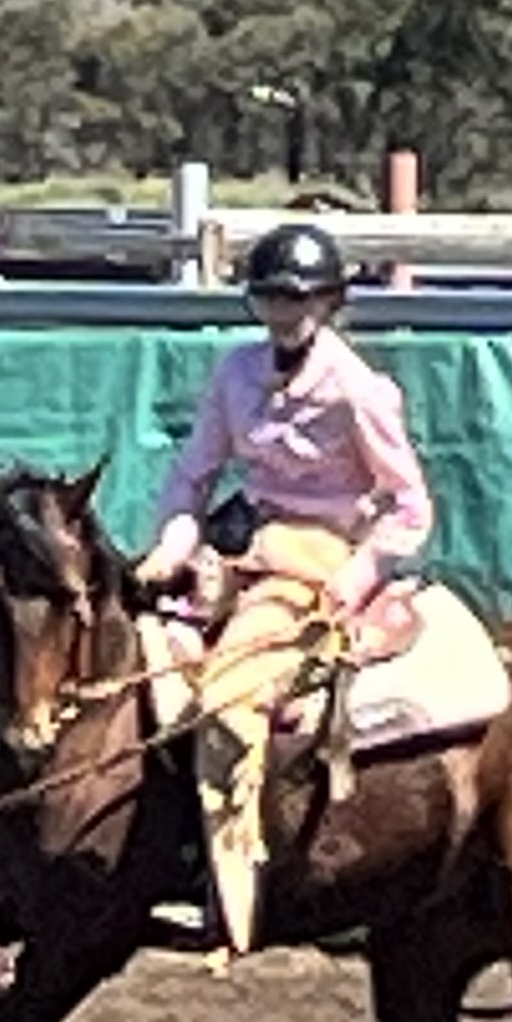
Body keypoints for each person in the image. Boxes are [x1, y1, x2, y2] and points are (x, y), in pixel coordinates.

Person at [139, 218, 433, 954]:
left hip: (317, 555)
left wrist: (354, 575)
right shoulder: (235, 373)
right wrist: (170, 547)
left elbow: (410, 505)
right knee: (147, 657)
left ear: (329, 303)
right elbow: (194, 474)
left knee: (227, 699)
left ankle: (233, 893)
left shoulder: (359, 391)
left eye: (298, 299)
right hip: (244, 544)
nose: (283, 312)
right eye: (270, 297)